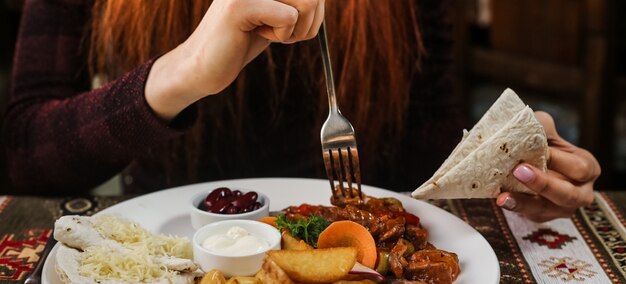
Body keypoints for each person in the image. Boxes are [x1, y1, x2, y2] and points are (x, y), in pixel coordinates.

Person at [2, 0, 600, 223]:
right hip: (171, 261)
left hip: (365, 269)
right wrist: (177, 77)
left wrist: (500, 157)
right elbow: (23, 153)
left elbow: (419, 134)